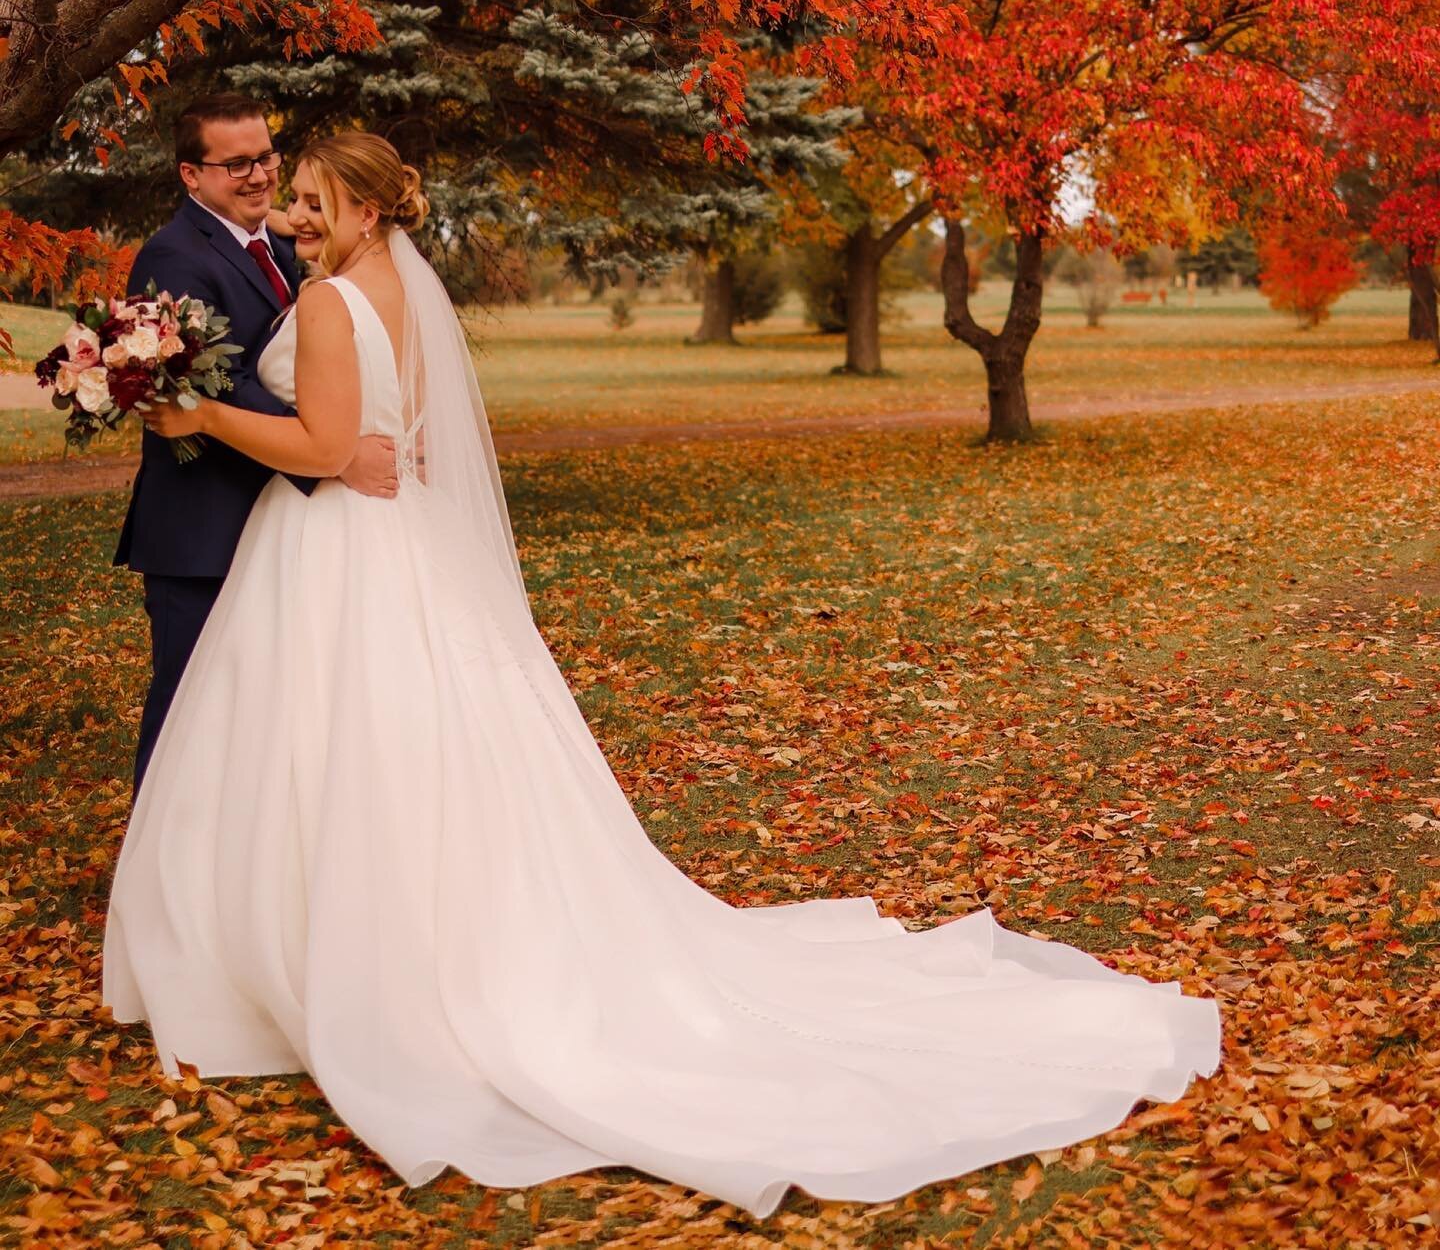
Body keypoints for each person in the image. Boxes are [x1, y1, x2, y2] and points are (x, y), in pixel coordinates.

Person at [103, 131, 1221, 1220]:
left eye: (308, 199)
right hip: (388, 552)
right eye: (287, 196)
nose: (294, 216)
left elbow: (321, 447)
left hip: (338, 549)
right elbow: (412, 439)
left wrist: (198, 412)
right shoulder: (405, 287)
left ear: (360, 207)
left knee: (331, 748)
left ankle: (331, 971)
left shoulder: (343, 301)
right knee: (381, 749)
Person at [114, 94, 398, 797]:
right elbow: (223, 381)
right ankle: (152, 879)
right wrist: (334, 452)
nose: (259, 175)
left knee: (254, 722)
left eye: (266, 155)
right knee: (187, 711)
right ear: (191, 174)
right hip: (201, 528)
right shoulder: (172, 257)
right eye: (235, 163)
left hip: (278, 529)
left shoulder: (282, 240)